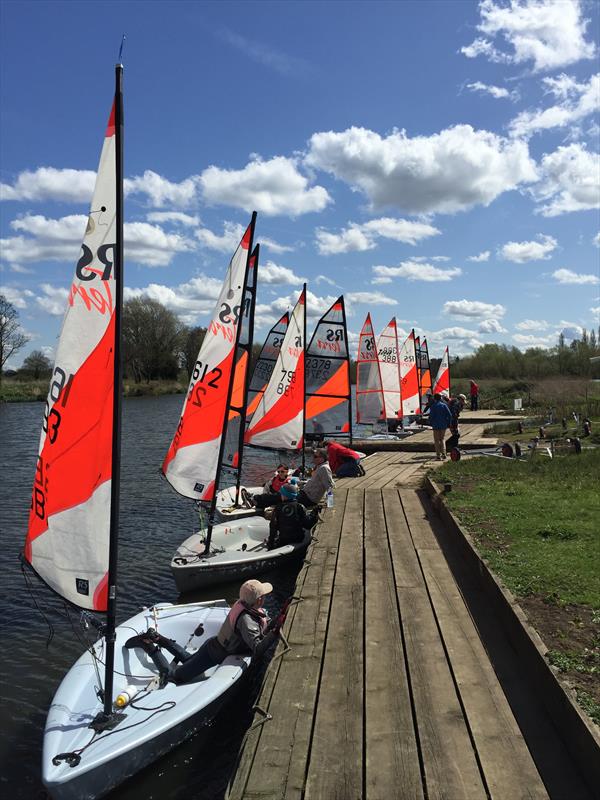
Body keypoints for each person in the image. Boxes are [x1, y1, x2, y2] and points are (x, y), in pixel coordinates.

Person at [125, 579, 281, 686]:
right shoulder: (246, 619)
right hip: (213, 654)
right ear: (259, 599)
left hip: (213, 646)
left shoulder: (246, 605)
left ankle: (158, 638)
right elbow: (258, 649)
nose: (266, 597)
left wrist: (277, 621)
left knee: (188, 659)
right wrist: (275, 633)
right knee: (174, 676)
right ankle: (148, 645)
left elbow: (260, 632)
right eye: (264, 595)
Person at [267, 482, 312, 550]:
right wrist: (313, 514)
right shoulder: (299, 506)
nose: (280, 495)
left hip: (284, 540)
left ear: (285, 495)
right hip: (298, 538)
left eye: (281, 494)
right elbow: (307, 525)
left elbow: (273, 526)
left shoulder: (278, 508)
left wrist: (270, 544)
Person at [429, 392, 453, 460]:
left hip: (435, 425)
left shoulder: (433, 406)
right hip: (443, 425)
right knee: (442, 439)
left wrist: (430, 421)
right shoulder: (444, 405)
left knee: (436, 440)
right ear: (440, 398)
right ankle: (444, 454)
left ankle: (438, 455)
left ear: (434, 398)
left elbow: (431, 416)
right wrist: (448, 423)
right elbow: (450, 415)